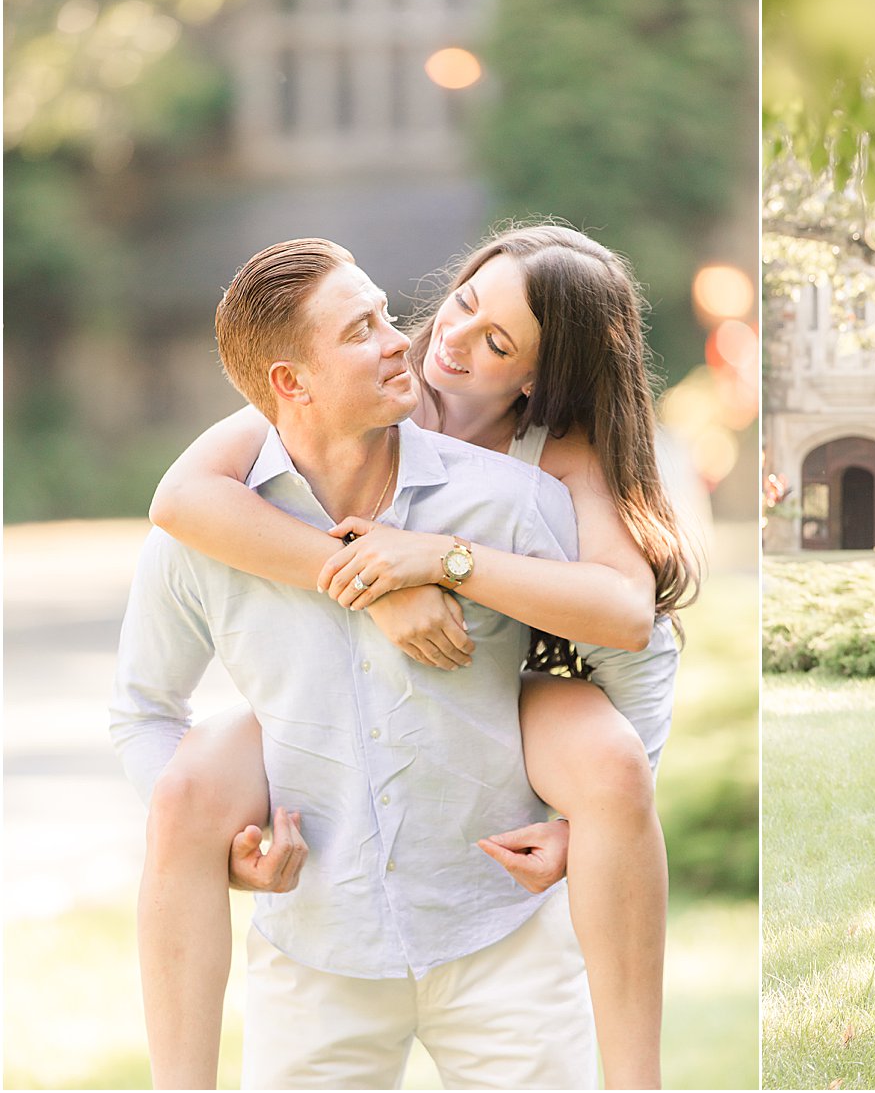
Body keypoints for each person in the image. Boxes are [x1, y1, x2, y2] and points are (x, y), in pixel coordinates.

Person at [136, 226, 694, 1088]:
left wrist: (439, 559)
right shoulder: (348, 392)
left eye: (498, 341)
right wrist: (369, 580)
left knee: (609, 760)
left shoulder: (553, 465)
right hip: (326, 742)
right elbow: (179, 501)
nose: (446, 340)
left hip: (504, 704)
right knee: (188, 786)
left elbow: (629, 626)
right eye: (464, 303)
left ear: (539, 377)